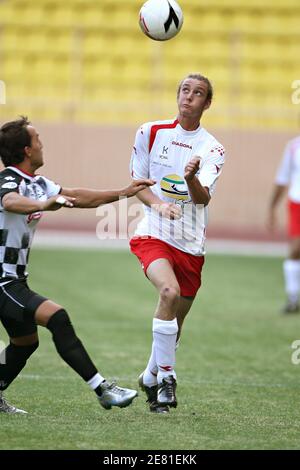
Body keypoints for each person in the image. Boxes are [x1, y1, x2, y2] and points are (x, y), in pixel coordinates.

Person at [0, 116, 154, 414]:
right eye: (37, 139)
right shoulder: (9, 180)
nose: (42, 143)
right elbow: (9, 202)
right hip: (2, 282)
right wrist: (44, 204)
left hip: (16, 281)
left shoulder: (39, 183)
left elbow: (78, 197)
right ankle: (102, 389)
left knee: (25, 343)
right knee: (57, 318)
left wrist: (124, 192)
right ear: (27, 150)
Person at [129, 73, 225, 413]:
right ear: (177, 95)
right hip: (152, 233)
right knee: (167, 293)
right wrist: (158, 206)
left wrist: (191, 178)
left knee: (175, 325)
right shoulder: (150, 132)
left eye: (198, 93)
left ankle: (151, 374)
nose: (189, 97)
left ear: (207, 103)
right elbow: (137, 184)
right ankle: (167, 380)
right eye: (185, 90)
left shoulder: (212, 148)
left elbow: (202, 201)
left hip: (190, 242)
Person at [268, 136, 300, 313]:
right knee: (296, 249)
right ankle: (293, 298)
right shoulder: (294, 146)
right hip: (297, 202)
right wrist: (272, 208)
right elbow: (282, 178)